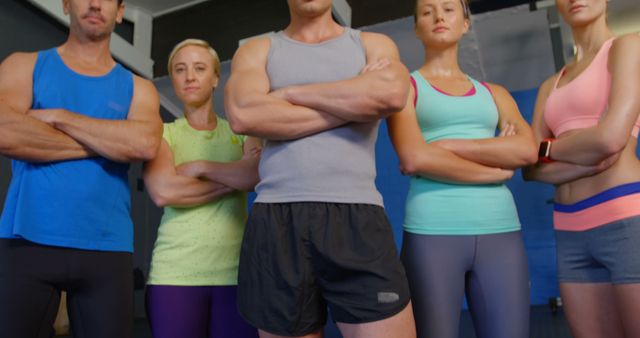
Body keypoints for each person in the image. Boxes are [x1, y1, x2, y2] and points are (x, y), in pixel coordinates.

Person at [224, 0, 416, 337]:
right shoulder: (256, 50)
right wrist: (356, 102)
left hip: (357, 218)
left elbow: (392, 94)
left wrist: (287, 93)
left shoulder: (374, 45)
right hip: (277, 220)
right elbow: (244, 115)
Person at [0, 0, 162, 337]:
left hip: (107, 247)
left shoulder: (139, 87)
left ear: (119, 12)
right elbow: (5, 131)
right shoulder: (24, 66)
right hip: (27, 238)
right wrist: (107, 144)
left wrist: (60, 116)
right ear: (65, 5)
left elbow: (144, 144)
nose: (93, 3)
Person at [387, 0, 538, 337]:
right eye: (427, 12)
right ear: (416, 27)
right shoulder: (404, 90)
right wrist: (495, 170)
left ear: (466, 24)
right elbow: (414, 158)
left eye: (449, 9)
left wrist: (445, 146)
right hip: (432, 232)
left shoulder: (495, 94)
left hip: (501, 232)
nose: (438, 16)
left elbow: (526, 149)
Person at [523, 0, 640, 336]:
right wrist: (585, 163)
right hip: (570, 231)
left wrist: (546, 151)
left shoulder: (627, 46)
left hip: (626, 221)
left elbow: (609, 139)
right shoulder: (551, 84)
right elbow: (530, 168)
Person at [143, 39, 261, 338]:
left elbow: (254, 175)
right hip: (174, 273)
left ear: (215, 78)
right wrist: (230, 180)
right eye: (180, 70)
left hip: (235, 275)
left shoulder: (240, 131)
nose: (190, 77)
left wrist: (200, 168)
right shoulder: (164, 133)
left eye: (199, 68)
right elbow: (164, 192)